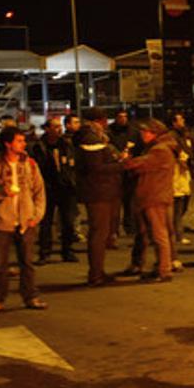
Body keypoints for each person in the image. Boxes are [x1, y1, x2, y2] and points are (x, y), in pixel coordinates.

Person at [0, 127, 47, 314]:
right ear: (8, 144)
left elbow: (39, 192)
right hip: (1, 222)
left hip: (26, 221)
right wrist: (1, 193)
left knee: (27, 262)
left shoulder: (30, 164)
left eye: (23, 141)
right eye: (19, 141)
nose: (23, 144)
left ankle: (31, 296)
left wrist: (36, 215)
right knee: (0, 264)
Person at [123, 119, 178, 282]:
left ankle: (164, 270)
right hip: (154, 195)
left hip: (154, 196)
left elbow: (138, 164)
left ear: (155, 133)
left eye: (145, 132)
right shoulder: (157, 148)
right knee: (156, 234)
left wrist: (126, 159)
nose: (142, 135)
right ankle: (160, 267)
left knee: (159, 234)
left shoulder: (160, 150)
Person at [75, 108, 125, 286]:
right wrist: (120, 165)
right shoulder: (90, 139)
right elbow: (96, 167)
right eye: (103, 120)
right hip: (98, 192)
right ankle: (95, 274)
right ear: (97, 121)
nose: (105, 124)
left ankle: (98, 271)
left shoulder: (93, 137)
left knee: (101, 232)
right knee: (99, 233)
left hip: (102, 190)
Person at [30, 117, 78, 263]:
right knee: (46, 222)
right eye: (55, 127)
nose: (59, 129)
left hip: (66, 188)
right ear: (47, 129)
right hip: (48, 187)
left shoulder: (66, 144)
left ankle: (67, 250)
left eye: (59, 127)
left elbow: (72, 163)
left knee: (68, 221)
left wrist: (71, 180)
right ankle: (45, 252)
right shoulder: (39, 146)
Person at [109, 109, 136, 237]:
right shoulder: (109, 132)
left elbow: (139, 148)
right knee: (115, 202)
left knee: (129, 201)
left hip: (129, 171)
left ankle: (129, 226)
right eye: (120, 117)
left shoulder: (133, 132)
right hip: (115, 171)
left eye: (125, 117)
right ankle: (114, 228)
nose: (123, 119)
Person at [170, 112, 193, 247]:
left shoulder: (184, 135)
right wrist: (182, 158)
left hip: (185, 175)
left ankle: (176, 231)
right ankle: (177, 234)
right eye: (179, 120)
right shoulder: (173, 136)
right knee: (177, 207)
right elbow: (180, 153)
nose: (182, 121)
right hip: (177, 175)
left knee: (182, 204)